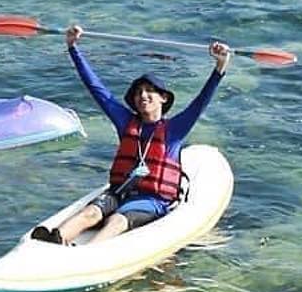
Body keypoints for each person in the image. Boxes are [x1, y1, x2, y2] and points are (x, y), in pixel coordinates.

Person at [30, 28, 231, 245]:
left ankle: (88, 255)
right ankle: (54, 239)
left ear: (163, 98)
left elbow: (200, 102)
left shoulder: (174, 129)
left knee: (116, 220)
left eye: (149, 91)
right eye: (138, 93)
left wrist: (220, 67)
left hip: (153, 200)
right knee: (90, 213)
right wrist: (72, 48)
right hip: (119, 193)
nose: (142, 96)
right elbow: (97, 89)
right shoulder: (126, 123)